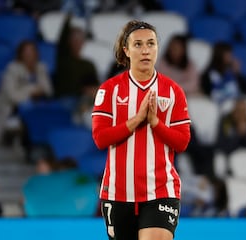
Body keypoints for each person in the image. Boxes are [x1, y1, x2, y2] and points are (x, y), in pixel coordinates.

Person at [92, 20, 191, 240]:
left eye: (151, 43)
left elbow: (182, 142)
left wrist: (155, 123)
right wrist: (136, 120)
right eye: (138, 44)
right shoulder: (109, 90)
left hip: (161, 191)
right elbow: (100, 138)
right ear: (126, 50)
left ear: (157, 48)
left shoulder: (173, 91)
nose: (145, 50)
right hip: (118, 193)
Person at [0, 40, 53, 144]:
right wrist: (31, 91)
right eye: (26, 52)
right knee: (26, 106)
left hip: (37, 107)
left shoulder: (41, 67)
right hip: (11, 109)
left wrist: (28, 91)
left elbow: (48, 90)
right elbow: (11, 95)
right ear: (20, 54)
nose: (29, 55)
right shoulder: (12, 69)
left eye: (31, 51)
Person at [54, 14, 99, 101]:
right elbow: (61, 43)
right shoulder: (63, 60)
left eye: (79, 40)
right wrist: (68, 17)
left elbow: (94, 86)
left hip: (86, 101)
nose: (77, 43)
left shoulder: (88, 65)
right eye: (74, 40)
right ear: (68, 42)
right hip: (66, 99)